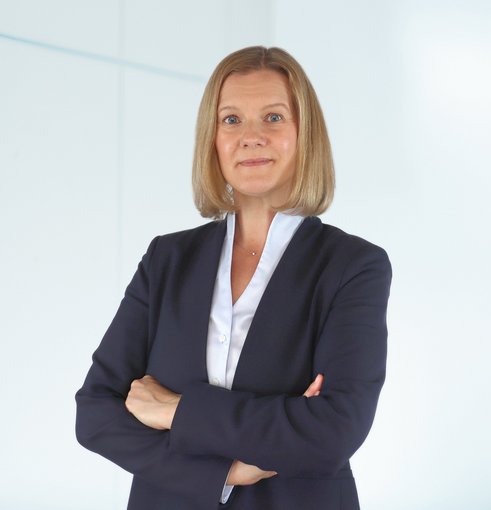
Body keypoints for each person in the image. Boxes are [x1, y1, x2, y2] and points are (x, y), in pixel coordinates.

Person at [75, 45, 392, 510]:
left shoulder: (353, 266)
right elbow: (97, 412)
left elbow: (332, 431)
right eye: (231, 120)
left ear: (306, 134)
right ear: (213, 139)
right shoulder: (167, 258)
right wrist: (225, 471)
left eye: (273, 117)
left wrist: (175, 410)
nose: (251, 136)